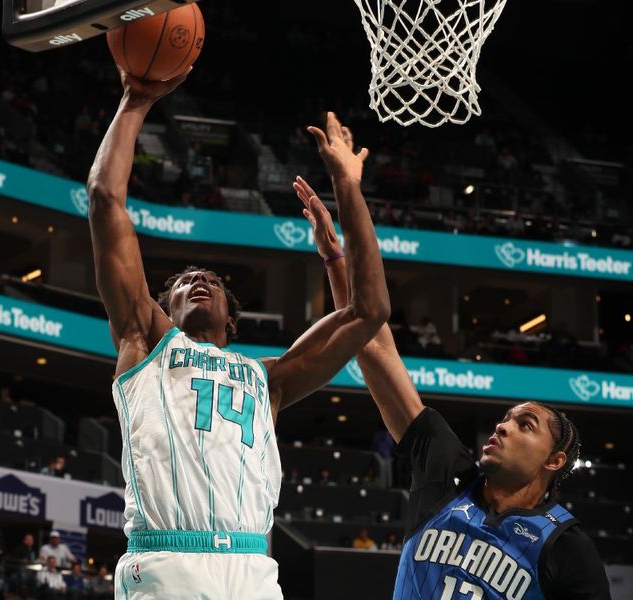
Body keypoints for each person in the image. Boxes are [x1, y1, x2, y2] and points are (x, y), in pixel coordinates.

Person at [87, 65, 389, 599]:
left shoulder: (268, 379)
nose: (199, 280)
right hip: (167, 563)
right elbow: (105, 201)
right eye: (182, 281)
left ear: (232, 318)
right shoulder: (145, 344)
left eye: (212, 281)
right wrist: (135, 101)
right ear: (163, 307)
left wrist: (345, 198)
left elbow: (370, 311)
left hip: (253, 570)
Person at [296, 168, 612, 599]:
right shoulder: (446, 473)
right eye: (506, 419)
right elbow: (375, 349)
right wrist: (336, 259)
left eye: (526, 425)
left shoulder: (568, 547)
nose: (502, 426)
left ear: (554, 461)